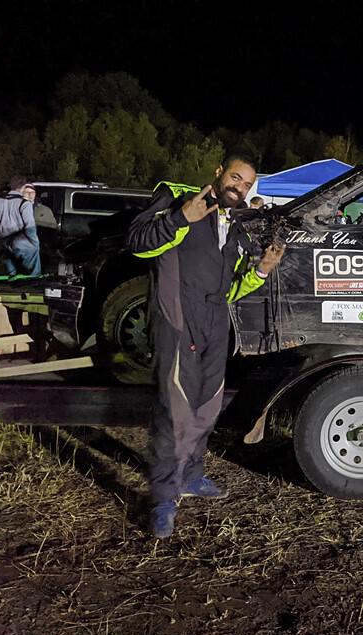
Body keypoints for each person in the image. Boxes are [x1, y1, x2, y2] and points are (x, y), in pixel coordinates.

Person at [127, 152, 285, 538]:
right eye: (235, 178)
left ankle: (191, 475)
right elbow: (137, 243)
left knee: (208, 404)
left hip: (216, 322)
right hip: (178, 319)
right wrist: (182, 218)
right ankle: (164, 497)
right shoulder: (176, 196)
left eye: (247, 184)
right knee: (175, 409)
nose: (240, 188)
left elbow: (230, 289)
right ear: (218, 172)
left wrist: (261, 271)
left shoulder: (237, 222)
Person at [0, 176, 42, 276]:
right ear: (23, 187)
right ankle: (34, 279)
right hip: (19, 241)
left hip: (4, 241)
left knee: (7, 257)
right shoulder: (25, 204)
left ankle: (12, 275)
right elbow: (30, 227)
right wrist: (35, 243)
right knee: (33, 253)